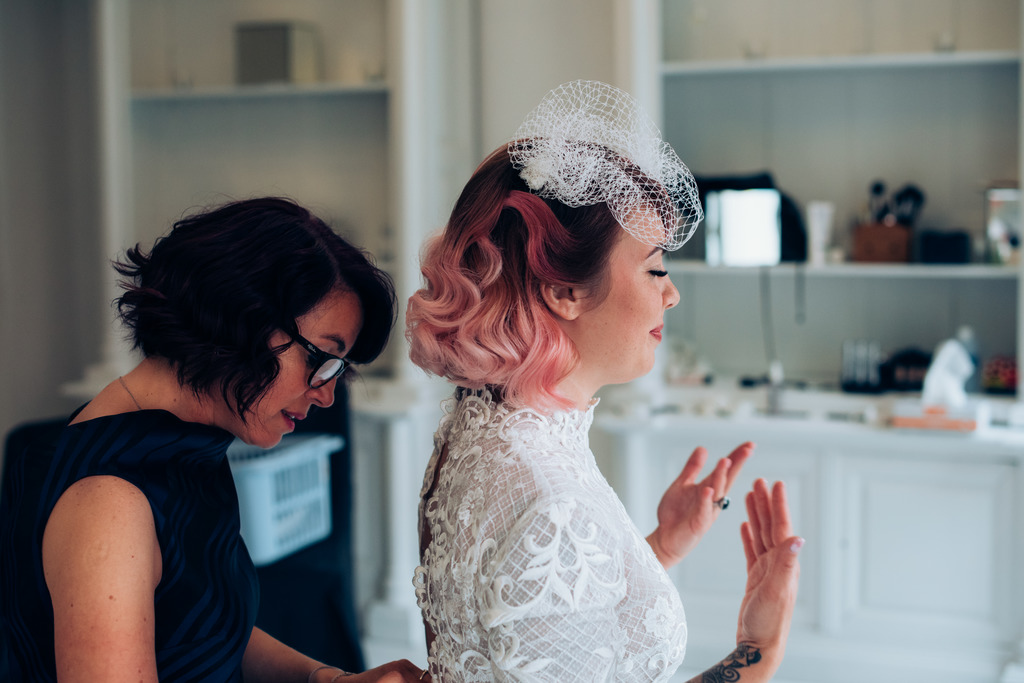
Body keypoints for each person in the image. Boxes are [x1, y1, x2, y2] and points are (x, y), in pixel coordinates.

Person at [406, 81, 803, 682]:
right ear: (563, 290)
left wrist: (662, 545)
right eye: (655, 268)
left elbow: (548, 626)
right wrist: (759, 648)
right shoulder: (550, 504)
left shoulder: (479, 428)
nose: (672, 293)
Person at [0, 197, 428, 682]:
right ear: (241, 316)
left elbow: (197, 622)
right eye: (320, 359)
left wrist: (328, 679)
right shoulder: (109, 503)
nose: (327, 395)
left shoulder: (178, 445)